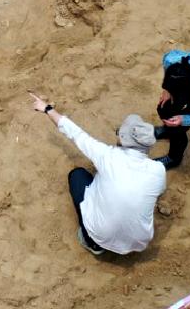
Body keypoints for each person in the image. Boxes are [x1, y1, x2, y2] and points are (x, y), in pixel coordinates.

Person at [29, 92, 166, 256]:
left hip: (101, 236)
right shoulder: (159, 170)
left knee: (77, 175)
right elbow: (157, 192)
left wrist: (47, 109)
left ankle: (91, 242)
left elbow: (76, 134)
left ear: (124, 141)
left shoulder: (108, 156)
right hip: (138, 242)